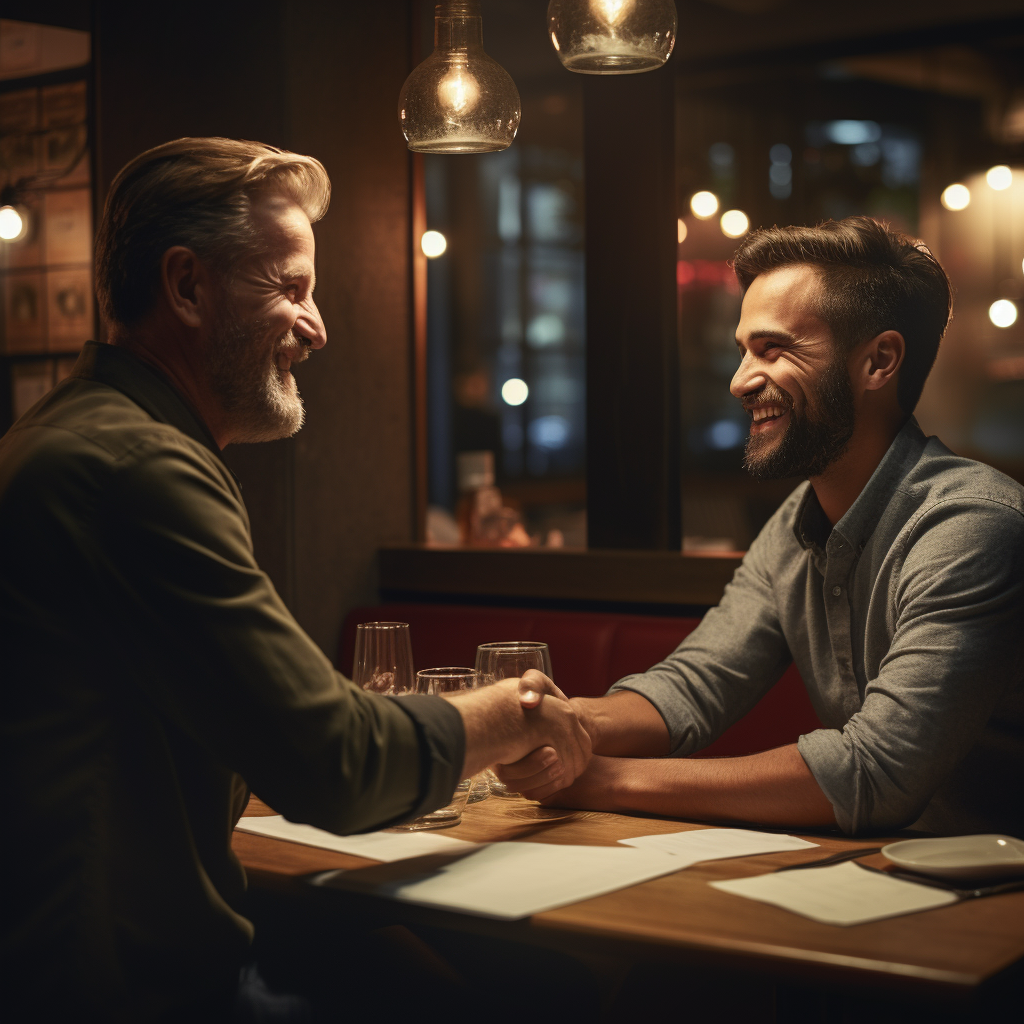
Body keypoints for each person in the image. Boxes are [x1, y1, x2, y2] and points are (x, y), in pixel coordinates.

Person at [0, 137, 590, 1022]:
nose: (317, 327)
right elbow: (336, 763)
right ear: (188, 286)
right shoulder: (140, 467)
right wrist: (519, 711)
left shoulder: (66, 436)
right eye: (291, 288)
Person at [511, 216, 1024, 839]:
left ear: (879, 362)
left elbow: (873, 771)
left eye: (775, 349)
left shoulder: (971, 525)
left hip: (998, 902)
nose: (740, 381)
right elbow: (695, 686)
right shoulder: (796, 523)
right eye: (744, 350)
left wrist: (597, 779)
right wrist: (551, 723)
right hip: (883, 877)